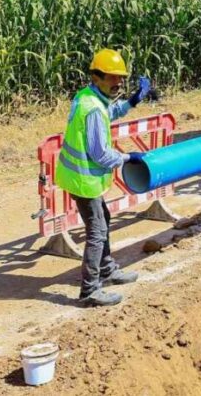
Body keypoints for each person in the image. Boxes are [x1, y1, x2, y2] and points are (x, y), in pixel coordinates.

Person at [56, 48, 154, 307]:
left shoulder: (88, 97)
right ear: (96, 76)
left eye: (120, 78)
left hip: (80, 177)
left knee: (104, 219)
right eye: (112, 77)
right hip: (83, 179)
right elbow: (100, 153)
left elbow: (110, 112)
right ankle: (90, 290)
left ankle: (107, 269)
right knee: (97, 232)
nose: (118, 82)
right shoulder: (93, 109)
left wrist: (133, 101)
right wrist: (127, 158)